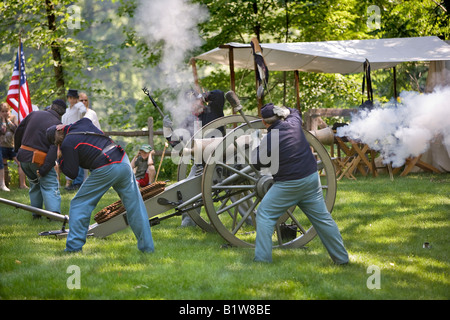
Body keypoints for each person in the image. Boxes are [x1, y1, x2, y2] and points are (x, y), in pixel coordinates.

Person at [252, 103, 349, 264]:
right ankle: (342, 259)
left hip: (289, 184)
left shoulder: (270, 138)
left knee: (264, 214)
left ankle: (262, 260)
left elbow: (257, 164)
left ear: (264, 122)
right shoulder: (293, 123)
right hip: (311, 178)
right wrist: (287, 111)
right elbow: (295, 111)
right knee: (323, 219)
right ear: (280, 116)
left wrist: (257, 148)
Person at [46, 117, 154, 253]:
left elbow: (72, 173)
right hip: (123, 160)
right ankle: (148, 249)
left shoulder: (67, 143)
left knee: (79, 204)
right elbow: (87, 121)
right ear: (60, 127)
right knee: (136, 207)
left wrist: (60, 158)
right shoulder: (82, 123)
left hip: (106, 166)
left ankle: (73, 248)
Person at [163, 89, 225, 226]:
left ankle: (250, 219)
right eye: (190, 103)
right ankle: (189, 219)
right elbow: (178, 146)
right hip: (200, 164)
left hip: (223, 160)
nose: (194, 105)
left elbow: (220, 94)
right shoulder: (187, 121)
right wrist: (167, 130)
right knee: (187, 188)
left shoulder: (214, 110)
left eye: (196, 101)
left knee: (238, 191)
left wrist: (205, 95)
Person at [14, 99, 66, 217]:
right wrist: (44, 169)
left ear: (51, 106)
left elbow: (19, 131)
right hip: (38, 160)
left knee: (34, 186)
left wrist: (17, 150)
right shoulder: (57, 125)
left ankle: (36, 214)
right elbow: (53, 150)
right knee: (50, 185)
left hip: (24, 157)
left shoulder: (34, 114)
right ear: (62, 114)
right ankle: (54, 216)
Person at [62, 89, 86, 190]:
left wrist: (78, 103)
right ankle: (71, 181)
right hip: (67, 135)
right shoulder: (67, 110)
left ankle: (78, 182)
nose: (71, 100)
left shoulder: (78, 108)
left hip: (77, 135)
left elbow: (83, 111)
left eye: (74, 98)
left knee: (78, 159)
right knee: (70, 159)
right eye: (70, 98)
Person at [0, 103, 27, 191]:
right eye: (2, 111)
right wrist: (3, 120)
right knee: (4, 165)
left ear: (9, 110)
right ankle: (6, 184)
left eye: (6, 111)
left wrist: (8, 120)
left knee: (20, 163)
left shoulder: (13, 117)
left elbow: (15, 129)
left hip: (12, 145)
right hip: (2, 145)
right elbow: (3, 131)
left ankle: (22, 184)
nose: (4, 113)